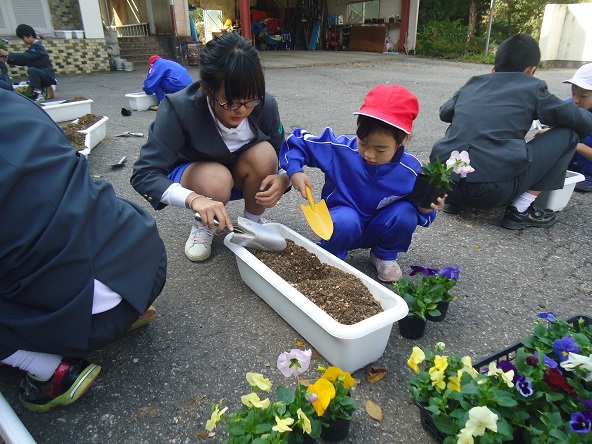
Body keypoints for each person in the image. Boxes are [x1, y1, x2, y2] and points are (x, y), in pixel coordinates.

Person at [0, 90, 167, 412]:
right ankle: (132, 308)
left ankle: (51, 371)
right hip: (146, 263)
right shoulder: (12, 102)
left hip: (91, 317)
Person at [131, 33, 289, 262]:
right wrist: (195, 199)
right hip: (200, 178)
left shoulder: (265, 105)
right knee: (216, 178)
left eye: (251, 99)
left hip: (241, 174)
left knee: (266, 154)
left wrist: (284, 179)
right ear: (206, 89)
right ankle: (205, 222)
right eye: (231, 102)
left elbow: (282, 152)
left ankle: (252, 224)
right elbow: (144, 174)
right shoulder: (179, 109)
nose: (242, 110)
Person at [279, 84, 440, 282]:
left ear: (403, 140)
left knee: (406, 214)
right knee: (346, 220)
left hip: (379, 226)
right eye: (363, 143)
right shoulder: (342, 149)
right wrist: (295, 171)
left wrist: (425, 208)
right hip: (342, 222)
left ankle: (383, 254)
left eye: (380, 149)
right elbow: (298, 142)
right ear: (357, 128)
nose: (369, 154)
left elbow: (422, 214)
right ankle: (331, 254)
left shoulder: (412, 171)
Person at [430, 34, 592, 230]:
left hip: (446, 186)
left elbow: (445, 112)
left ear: (494, 68)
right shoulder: (532, 86)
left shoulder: (473, 83)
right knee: (569, 135)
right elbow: (577, 119)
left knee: (466, 130)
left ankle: (455, 203)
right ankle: (519, 210)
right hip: (493, 193)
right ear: (531, 70)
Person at [0, 24, 56, 102]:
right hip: (41, 75)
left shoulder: (38, 46)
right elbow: (25, 61)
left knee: (32, 70)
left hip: (47, 76)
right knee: (32, 70)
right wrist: (8, 60)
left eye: (23, 38)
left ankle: (37, 94)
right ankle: (38, 92)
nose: (23, 41)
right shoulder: (33, 48)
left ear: (29, 35)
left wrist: (8, 54)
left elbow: (25, 56)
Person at [564, 63, 592, 192]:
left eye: (583, 96)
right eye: (573, 93)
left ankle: (589, 174)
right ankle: (573, 167)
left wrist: (575, 144)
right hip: (577, 157)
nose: (576, 100)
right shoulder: (571, 104)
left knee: (586, 138)